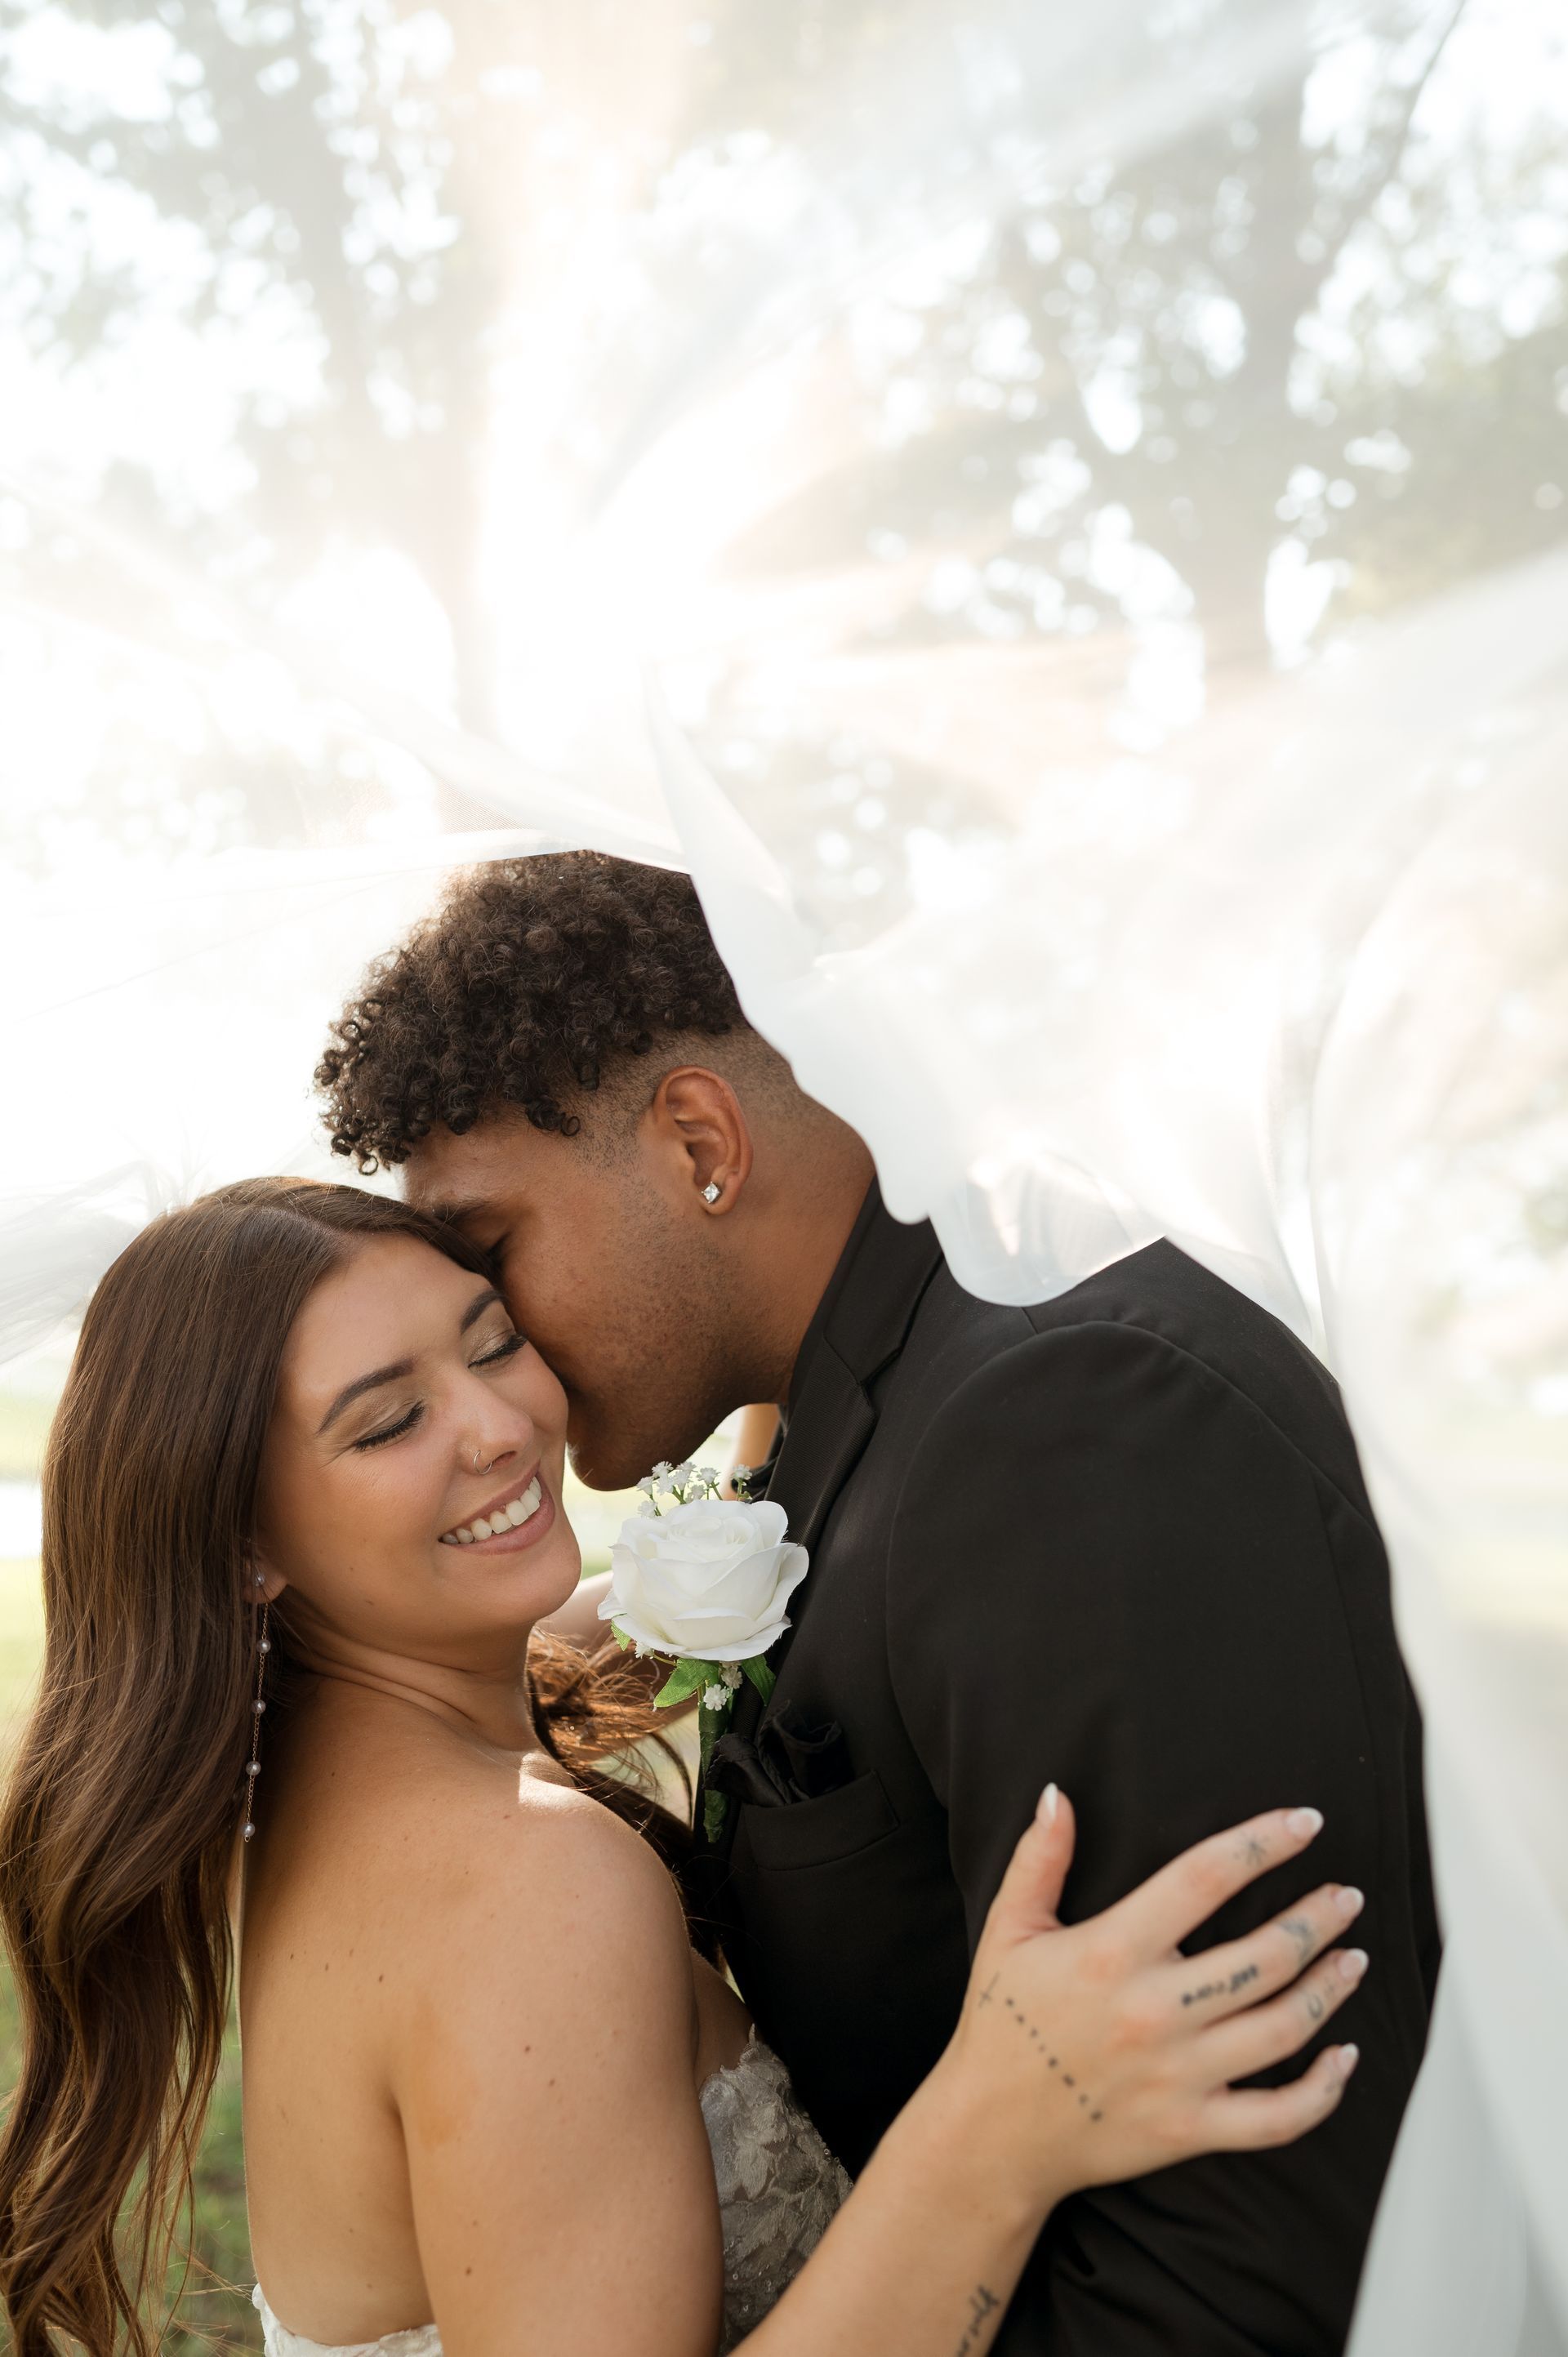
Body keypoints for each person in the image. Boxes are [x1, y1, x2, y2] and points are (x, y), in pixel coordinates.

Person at [314, 849, 1441, 2355]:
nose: (504, 1348)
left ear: (700, 1142)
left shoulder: (1062, 1415)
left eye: (493, 1249)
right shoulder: (875, 1413)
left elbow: (1234, 2281)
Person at [0, 1180, 1362, 2357]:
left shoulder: (315, 1794)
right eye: (385, 1422)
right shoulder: (528, 1884)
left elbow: (680, 1562)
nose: (497, 1426)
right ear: (247, 1544)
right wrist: (1003, 2118)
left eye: (493, 1340)